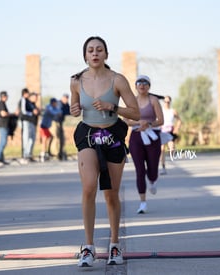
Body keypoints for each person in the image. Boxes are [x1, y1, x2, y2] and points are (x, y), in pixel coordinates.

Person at [70, 36, 140, 267]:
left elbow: (136, 113)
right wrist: (74, 108)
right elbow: (75, 108)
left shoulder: (117, 80)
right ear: (85, 56)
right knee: (89, 187)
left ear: (106, 55)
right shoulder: (76, 81)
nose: (95, 53)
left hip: (112, 136)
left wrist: (113, 107)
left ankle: (114, 244)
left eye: (99, 49)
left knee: (111, 193)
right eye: (90, 50)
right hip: (88, 134)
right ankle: (88, 248)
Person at [124, 75, 164, 214]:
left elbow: (161, 120)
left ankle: (153, 180)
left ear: (149, 86)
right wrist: (138, 123)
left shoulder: (153, 100)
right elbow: (126, 120)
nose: (142, 85)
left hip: (152, 136)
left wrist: (148, 123)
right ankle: (143, 202)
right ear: (135, 86)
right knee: (140, 170)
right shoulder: (132, 101)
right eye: (139, 83)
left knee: (152, 168)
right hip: (136, 137)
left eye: (145, 83)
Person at [160, 95, 182, 175]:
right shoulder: (160, 110)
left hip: (170, 131)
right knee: (162, 150)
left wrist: (177, 129)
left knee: (171, 148)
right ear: (163, 102)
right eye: (165, 102)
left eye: (168, 102)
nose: (166, 103)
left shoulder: (173, 111)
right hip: (162, 131)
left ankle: (173, 153)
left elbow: (179, 120)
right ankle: (163, 167)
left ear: (170, 102)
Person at [0, 91, 11, 166]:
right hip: (2, 125)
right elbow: (3, 113)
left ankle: (1, 159)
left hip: (5, 125)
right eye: (6, 96)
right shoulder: (1, 103)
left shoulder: (3, 104)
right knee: (3, 142)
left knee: (3, 141)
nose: (7, 97)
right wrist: (10, 114)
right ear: (3, 96)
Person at [56, 93, 70, 160]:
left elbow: (69, 111)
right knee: (56, 139)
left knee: (62, 139)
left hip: (61, 123)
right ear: (62, 98)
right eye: (65, 98)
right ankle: (57, 154)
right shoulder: (59, 103)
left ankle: (61, 154)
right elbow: (60, 112)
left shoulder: (66, 104)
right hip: (56, 123)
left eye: (67, 98)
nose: (66, 100)